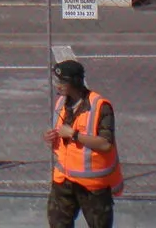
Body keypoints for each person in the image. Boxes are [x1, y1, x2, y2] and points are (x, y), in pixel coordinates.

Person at [43, 59, 122, 228]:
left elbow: (105, 144)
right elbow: (62, 142)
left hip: (92, 185)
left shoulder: (100, 106)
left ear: (74, 82)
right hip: (64, 179)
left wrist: (73, 134)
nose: (57, 85)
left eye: (62, 81)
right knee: (57, 223)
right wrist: (52, 139)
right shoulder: (61, 104)